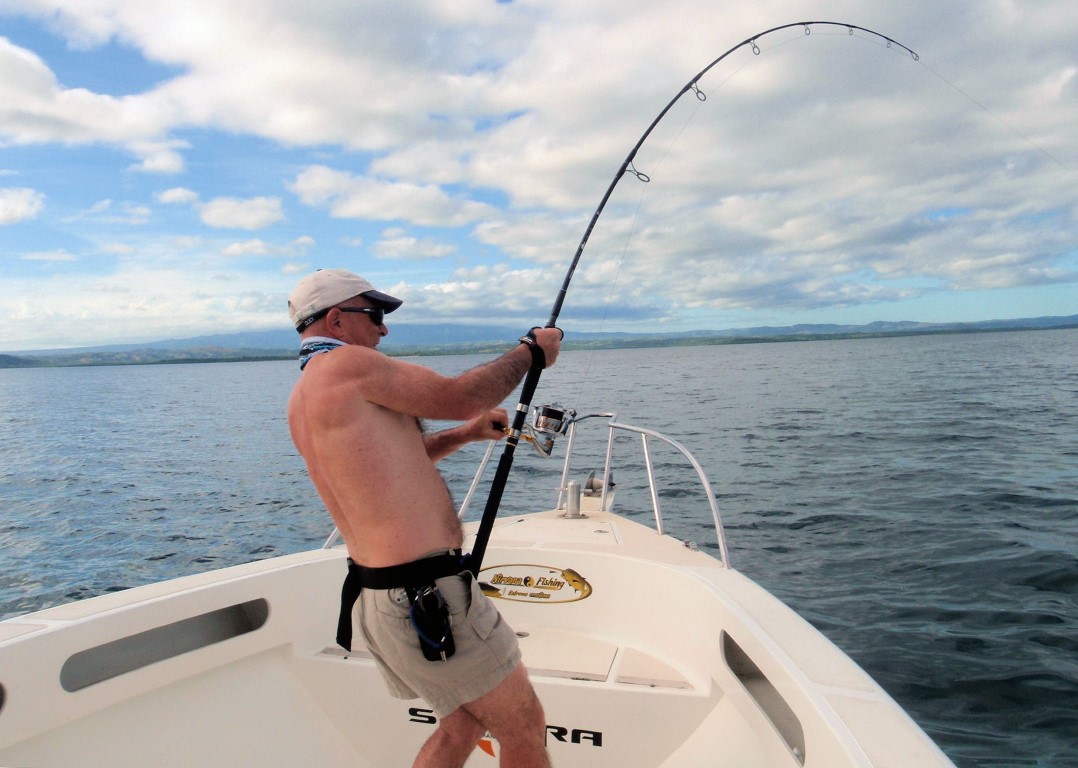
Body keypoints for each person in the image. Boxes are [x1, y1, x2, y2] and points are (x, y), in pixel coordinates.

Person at [286, 268, 561, 768]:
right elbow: (460, 397)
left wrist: (465, 435)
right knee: (524, 727)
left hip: (382, 596)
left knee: (463, 721)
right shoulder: (348, 366)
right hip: (426, 598)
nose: (383, 330)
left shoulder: (304, 395)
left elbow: (384, 468)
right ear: (335, 319)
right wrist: (531, 351)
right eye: (374, 315)